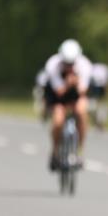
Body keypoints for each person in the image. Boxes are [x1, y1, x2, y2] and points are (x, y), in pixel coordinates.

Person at [43, 39, 92, 169]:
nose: (69, 66)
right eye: (66, 63)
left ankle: (80, 149)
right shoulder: (52, 64)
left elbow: (83, 90)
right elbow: (58, 91)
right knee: (58, 120)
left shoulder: (84, 65)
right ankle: (55, 151)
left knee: (81, 111)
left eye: (72, 63)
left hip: (76, 94)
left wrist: (76, 82)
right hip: (57, 95)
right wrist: (67, 83)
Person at [89, 61, 108, 129]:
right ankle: (97, 121)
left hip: (101, 88)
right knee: (93, 106)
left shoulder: (104, 68)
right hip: (94, 88)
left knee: (101, 105)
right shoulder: (93, 67)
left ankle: (100, 122)